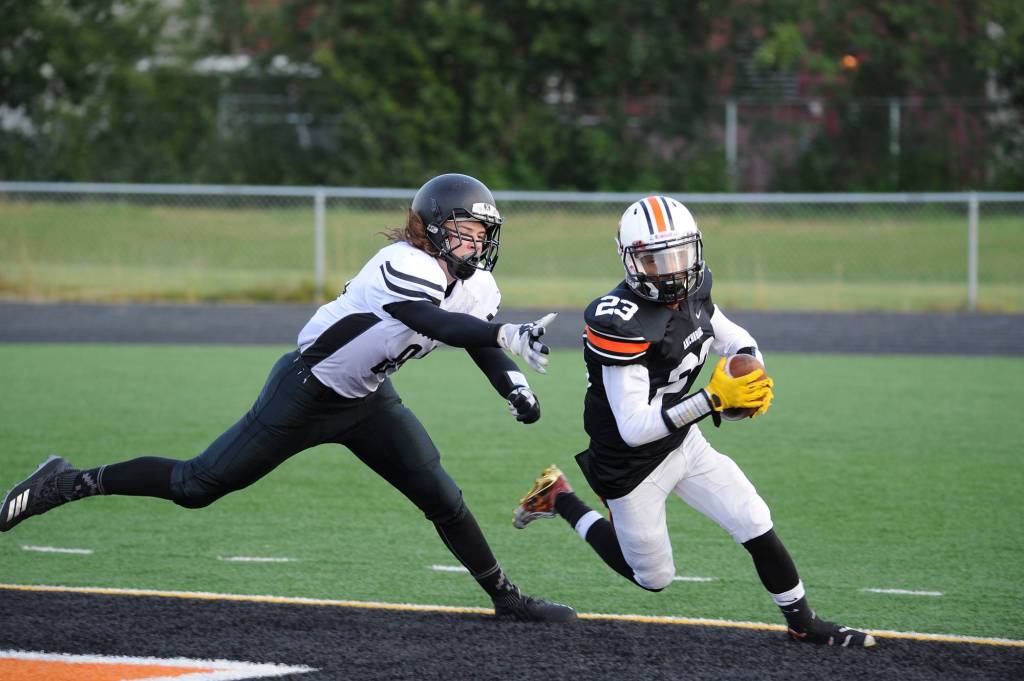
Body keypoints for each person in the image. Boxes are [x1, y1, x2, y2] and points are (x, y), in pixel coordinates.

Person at [1, 173, 576, 623]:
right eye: (464, 232)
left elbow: (475, 336)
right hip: (306, 392)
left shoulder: (476, 286)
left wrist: (513, 383)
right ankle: (67, 481)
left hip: (368, 399)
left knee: (442, 495)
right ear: (431, 227)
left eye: (481, 235)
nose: (474, 245)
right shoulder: (403, 263)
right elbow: (438, 323)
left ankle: (506, 598)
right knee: (195, 486)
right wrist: (505, 336)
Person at [512, 195, 874, 645]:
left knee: (752, 516)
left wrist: (750, 371)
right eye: (655, 259)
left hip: (682, 439)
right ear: (630, 261)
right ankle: (561, 498)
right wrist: (713, 398)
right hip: (628, 464)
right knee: (653, 577)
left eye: (679, 253)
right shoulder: (618, 319)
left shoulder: (696, 288)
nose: (671, 269)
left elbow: (736, 339)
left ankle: (803, 622)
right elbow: (634, 428)